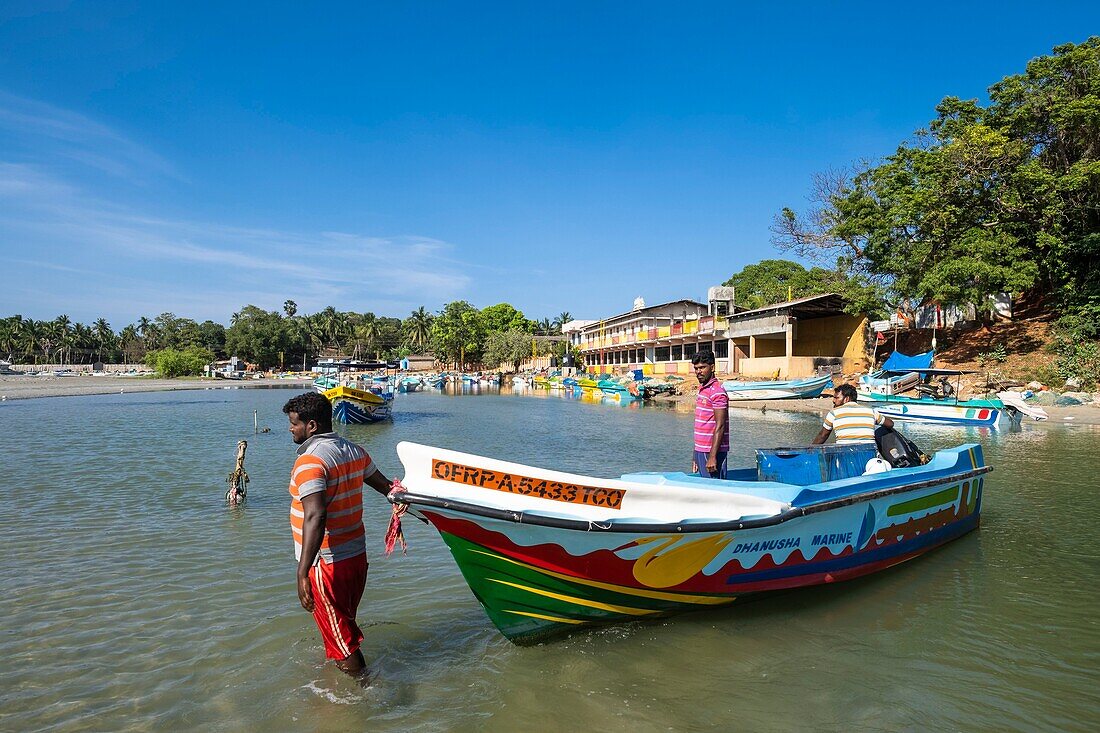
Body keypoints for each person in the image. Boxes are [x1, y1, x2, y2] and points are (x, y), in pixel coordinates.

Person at [282, 391, 396, 677]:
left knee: (343, 642)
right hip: (356, 559)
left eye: (294, 423)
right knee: (340, 625)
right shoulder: (354, 450)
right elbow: (385, 486)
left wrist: (302, 572)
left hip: (326, 565)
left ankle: (364, 697)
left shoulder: (310, 462)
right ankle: (339, 678)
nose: (290, 429)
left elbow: (315, 515)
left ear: (312, 426)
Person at [812, 382, 894, 444]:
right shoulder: (870, 411)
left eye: (836, 398)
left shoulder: (834, 413)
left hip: (845, 456)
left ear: (846, 399)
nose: (833, 401)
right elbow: (890, 424)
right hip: (869, 455)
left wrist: (809, 450)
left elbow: (823, 436)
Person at [691, 350, 729, 479]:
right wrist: (695, 454)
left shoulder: (717, 392)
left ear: (712, 367)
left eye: (702, 367)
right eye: (696, 368)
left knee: (716, 489)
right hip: (701, 450)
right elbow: (702, 424)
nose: (698, 372)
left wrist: (712, 457)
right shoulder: (703, 390)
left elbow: (720, 425)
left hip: (713, 451)